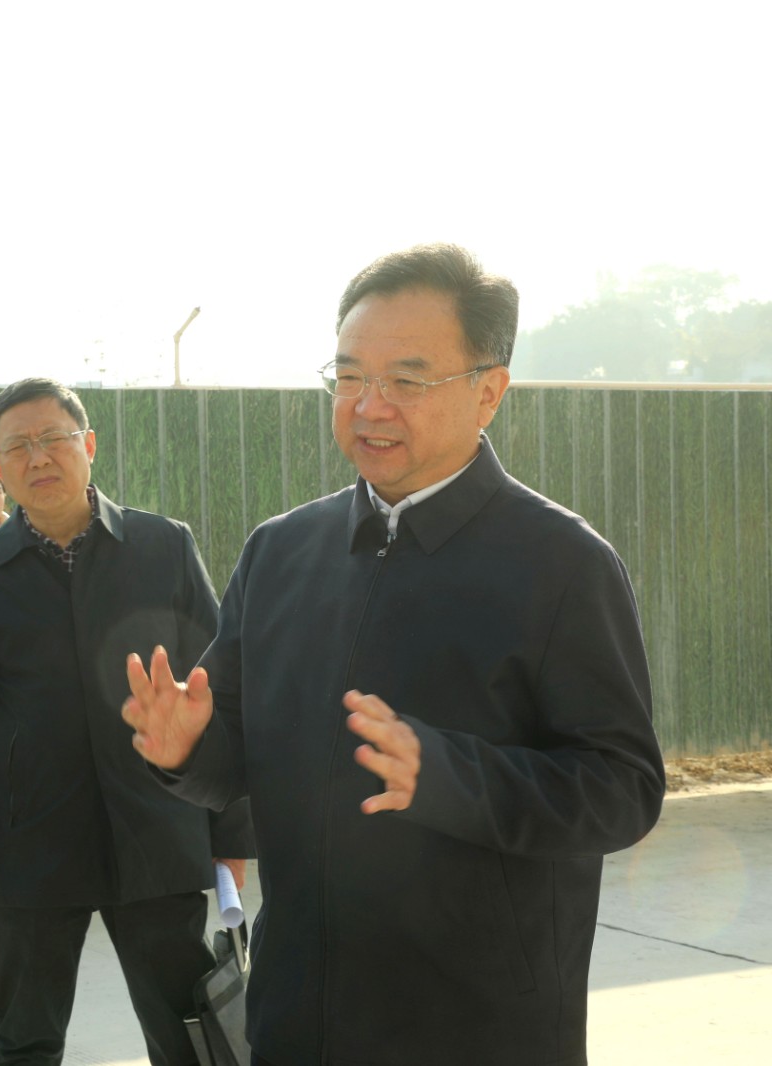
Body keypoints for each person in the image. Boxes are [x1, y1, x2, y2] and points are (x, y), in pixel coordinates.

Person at [123, 244, 666, 1066]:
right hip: (297, 1018)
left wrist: (445, 775)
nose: (368, 406)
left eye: (407, 380)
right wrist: (187, 749)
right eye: (349, 376)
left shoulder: (561, 564)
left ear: (489, 391)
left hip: (478, 1027)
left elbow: (623, 789)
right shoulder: (282, 552)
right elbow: (233, 757)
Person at [0, 378, 253, 1066]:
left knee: (189, 1030)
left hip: (158, 831)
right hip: (33, 846)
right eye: (18, 446)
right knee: (24, 1038)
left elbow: (220, 690)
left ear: (89, 444)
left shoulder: (163, 545)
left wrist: (230, 830)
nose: (38, 457)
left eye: (53, 438)